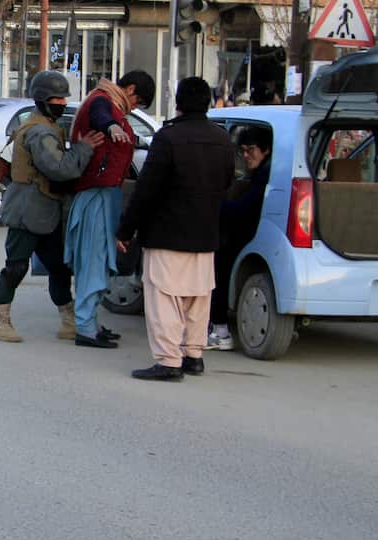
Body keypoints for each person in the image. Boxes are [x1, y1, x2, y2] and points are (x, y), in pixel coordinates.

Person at [116, 77, 233, 381]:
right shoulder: (221, 139)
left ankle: (169, 361)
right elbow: (227, 183)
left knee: (165, 299)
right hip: (206, 232)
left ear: (178, 103)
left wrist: (125, 229)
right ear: (208, 102)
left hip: (166, 232)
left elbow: (146, 190)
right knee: (198, 297)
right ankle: (194, 356)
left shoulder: (168, 139)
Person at [0, 70, 102, 343]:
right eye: (55, 99)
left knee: (59, 268)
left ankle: (69, 321)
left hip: (46, 211)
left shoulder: (44, 127)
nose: (61, 104)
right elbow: (60, 168)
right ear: (41, 101)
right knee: (15, 267)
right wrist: (84, 148)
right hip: (28, 211)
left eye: (63, 98)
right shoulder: (39, 132)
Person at [64, 70, 154, 349]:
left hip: (105, 193)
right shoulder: (102, 101)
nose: (136, 107)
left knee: (99, 260)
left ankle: (89, 322)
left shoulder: (111, 105)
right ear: (129, 89)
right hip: (96, 195)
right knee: (93, 259)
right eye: (138, 101)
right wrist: (111, 127)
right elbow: (102, 117)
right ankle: (85, 328)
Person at [208, 126, 272, 351]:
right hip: (253, 232)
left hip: (250, 235)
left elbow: (246, 209)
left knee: (220, 262)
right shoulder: (262, 173)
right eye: (243, 151)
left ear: (266, 150)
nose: (246, 156)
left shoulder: (265, 175)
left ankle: (219, 327)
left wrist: (215, 206)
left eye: (251, 150)